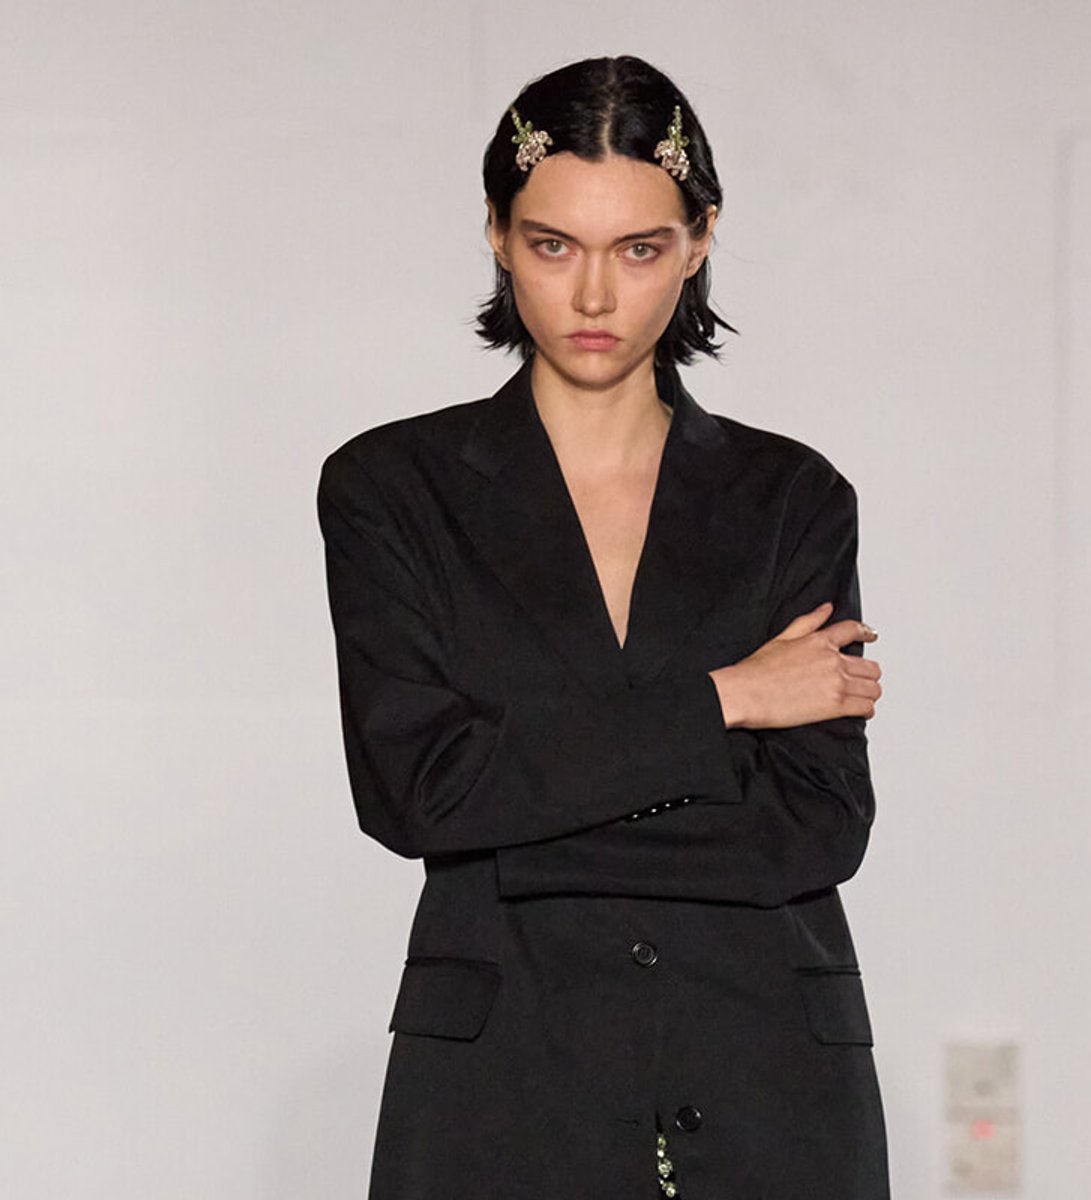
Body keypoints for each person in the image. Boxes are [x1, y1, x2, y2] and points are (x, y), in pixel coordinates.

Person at [317, 54, 887, 1200]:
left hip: (768, 1075)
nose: (592, 298)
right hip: (505, 1088)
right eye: (551, 244)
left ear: (700, 238)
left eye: (638, 249)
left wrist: (517, 829)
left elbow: (819, 829)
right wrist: (728, 702)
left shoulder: (792, 498)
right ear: (495, 231)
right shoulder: (393, 489)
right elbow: (417, 795)